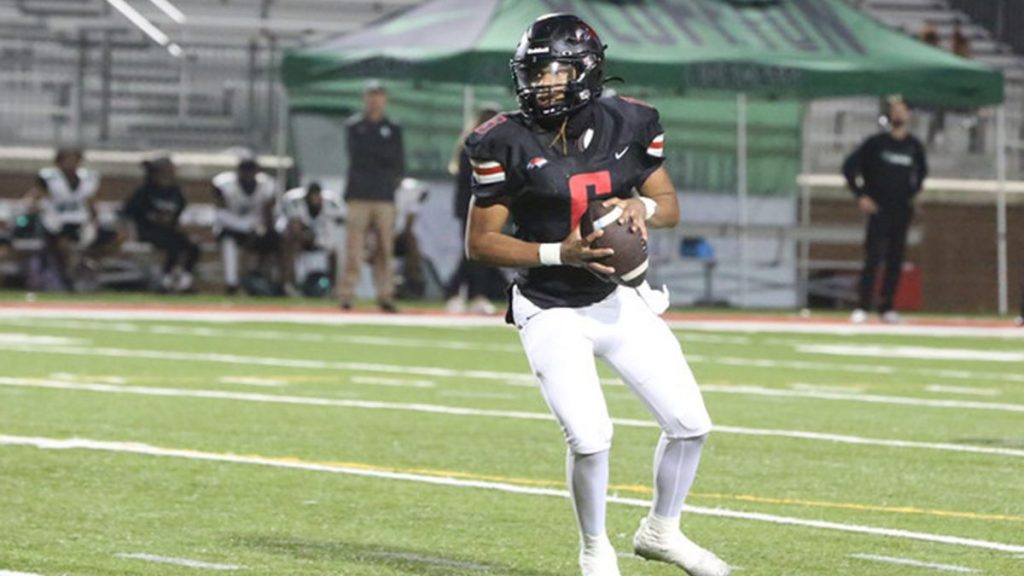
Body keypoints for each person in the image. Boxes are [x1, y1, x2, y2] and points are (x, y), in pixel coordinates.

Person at [465, 14, 730, 576]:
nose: (541, 84)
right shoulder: (503, 140)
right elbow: (481, 243)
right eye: (533, 73)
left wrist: (641, 206)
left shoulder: (631, 122)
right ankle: (595, 548)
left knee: (691, 423)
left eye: (554, 72)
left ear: (586, 72)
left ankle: (662, 531)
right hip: (550, 306)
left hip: (616, 298)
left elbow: (670, 207)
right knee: (590, 437)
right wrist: (559, 253)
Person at [843, 96, 927, 324]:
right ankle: (863, 305)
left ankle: (887, 306)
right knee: (873, 257)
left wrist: (913, 195)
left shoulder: (913, 146)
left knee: (895, 259)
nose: (898, 114)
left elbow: (921, 174)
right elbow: (849, 168)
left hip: (901, 210)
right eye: (894, 110)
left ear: (908, 114)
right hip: (879, 210)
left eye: (902, 110)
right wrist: (861, 195)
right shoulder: (875, 144)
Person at [338, 81, 405, 312]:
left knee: (385, 248)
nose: (375, 101)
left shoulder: (393, 128)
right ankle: (347, 293)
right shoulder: (355, 126)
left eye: (379, 96)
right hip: (359, 193)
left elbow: (396, 159)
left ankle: (385, 294)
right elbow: (360, 155)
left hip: (384, 194)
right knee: (354, 248)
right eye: (371, 96)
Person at [23, 147, 120, 291]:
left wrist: (94, 221)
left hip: (81, 221)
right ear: (59, 162)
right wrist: (41, 207)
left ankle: (87, 262)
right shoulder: (49, 179)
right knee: (63, 244)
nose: (71, 163)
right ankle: (67, 278)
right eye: (67, 159)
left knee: (116, 237)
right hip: (56, 222)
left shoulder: (88, 179)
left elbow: (92, 203)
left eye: (74, 159)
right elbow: (32, 200)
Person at [445, 105, 506, 315]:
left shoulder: (475, 144)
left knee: (477, 252)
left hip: (482, 205)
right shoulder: (474, 145)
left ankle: (467, 293)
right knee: (474, 252)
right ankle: (463, 292)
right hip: (473, 206)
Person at [122, 156, 199, 293]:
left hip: (168, 230)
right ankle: (165, 282)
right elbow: (129, 211)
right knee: (173, 247)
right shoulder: (145, 191)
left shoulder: (175, 191)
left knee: (193, 247)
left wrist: (169, 220)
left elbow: (178, 211)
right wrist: (152, 217)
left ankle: (185, 282)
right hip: (148, 231)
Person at [211, 157, 279, 295]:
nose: (248, 176)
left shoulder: (266, 184)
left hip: (256, 226)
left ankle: (262, 278)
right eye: (245, 172)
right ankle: (231, 283)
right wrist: (244, 226)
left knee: (273, 240)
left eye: (251, 172)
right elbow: (220, 211)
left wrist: (264, 228)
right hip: (231, 225)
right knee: (228, 241)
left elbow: (268, 211)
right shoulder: (225, 184)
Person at [276, 181, 343, 297]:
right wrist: (305, 234)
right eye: (312, 195)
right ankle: (290, 285)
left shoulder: (331, 202)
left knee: (333, 251)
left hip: (322, 235)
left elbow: (341, 221)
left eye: (317, 195)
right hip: (299, 237)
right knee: (290, 247)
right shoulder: (294, 201)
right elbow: (293, 226)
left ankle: (333, 287)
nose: (315, 199)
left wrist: (320, 238)